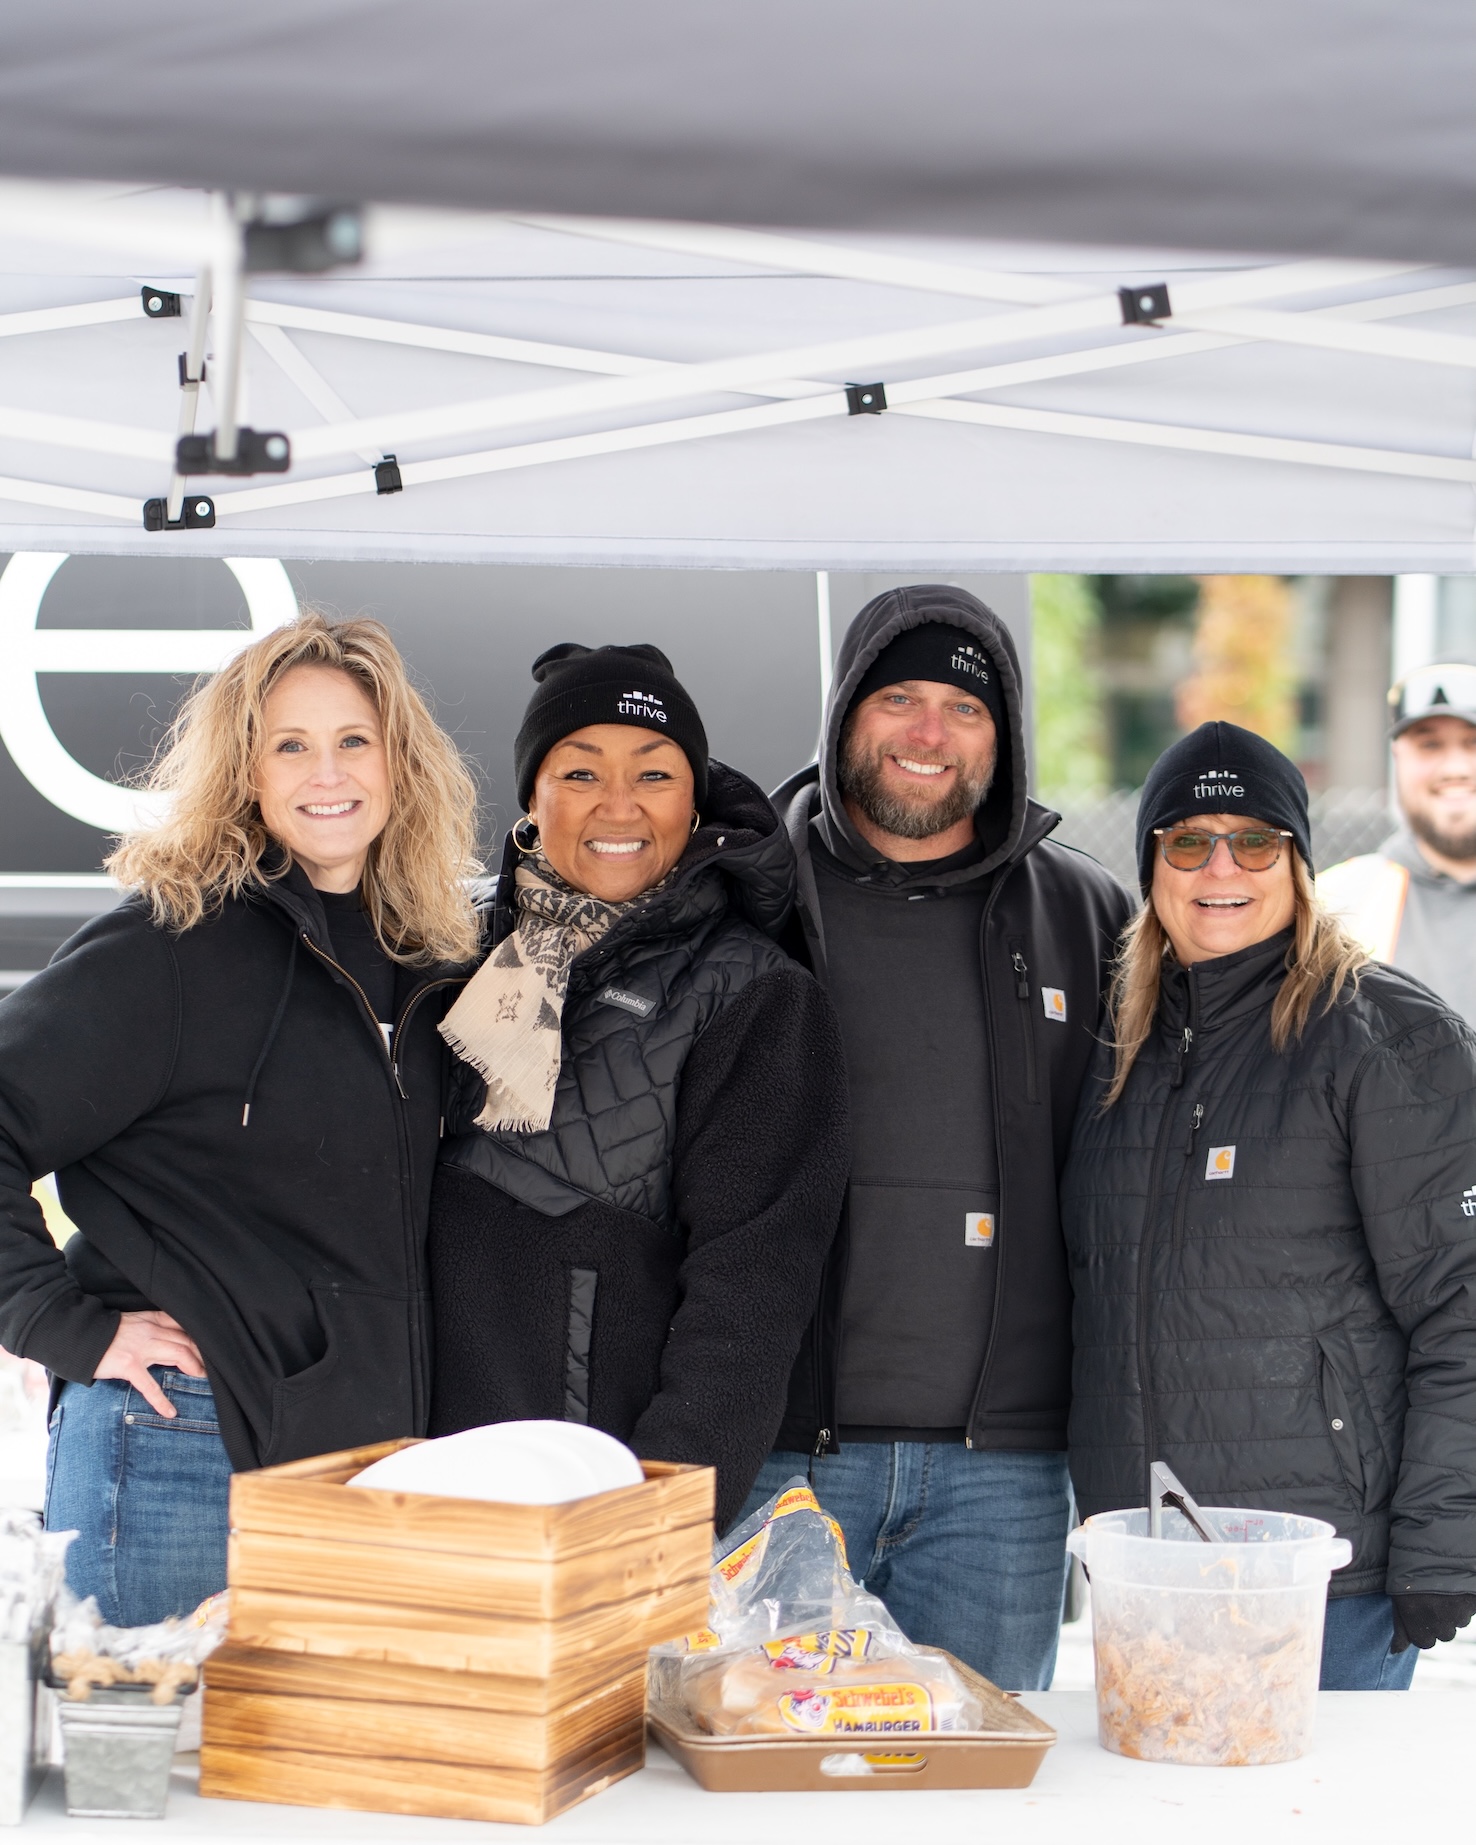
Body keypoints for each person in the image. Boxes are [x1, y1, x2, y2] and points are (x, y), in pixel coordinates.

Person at [0, 612, 480, 1626]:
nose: (328, 773)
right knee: (158, 1776)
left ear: (401, 764)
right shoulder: (170, 949)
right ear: (245, 773)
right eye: (290, 746)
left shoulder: (432, 965)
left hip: (364, 1468)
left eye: (356, 740)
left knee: (317, 1784)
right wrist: (69, 1328)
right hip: (181, 1447)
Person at [741, 584, 1133, 1691]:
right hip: (780, 1457)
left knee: (981, 1793)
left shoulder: (1088, 917)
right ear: (843, 714)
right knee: (770, 1782)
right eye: (899, 699)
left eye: (964, 710)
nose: (929, 734)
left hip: (1001, 1477)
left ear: (1002, 738)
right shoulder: (742, 894)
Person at [1062, 719, 1476, 1691]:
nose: (1221, 867)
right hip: (1151, 1571)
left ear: (1297, 863)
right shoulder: (1115, 1050)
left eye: (1254, 840)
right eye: (1188, 840)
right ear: (1152, 863)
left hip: (1324, 1581)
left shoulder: (1383, 1034)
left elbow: (1463, 1303)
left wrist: (1445, 1540)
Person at [427, 642, 849, 1531]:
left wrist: (659, 1521)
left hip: (590, 1504)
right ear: (533, 797)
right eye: (581, 771)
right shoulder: (441, 948)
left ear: (693, 799)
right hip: (413, 1483)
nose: (618, 805)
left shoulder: (752, 993)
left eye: (653, 773)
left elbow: (749, 1299)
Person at [1317, 662, 1476, 1023]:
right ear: (1397, 759)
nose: (1456, 768)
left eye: (1473, 742)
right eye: (1430, 744)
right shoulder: (1334, 907)